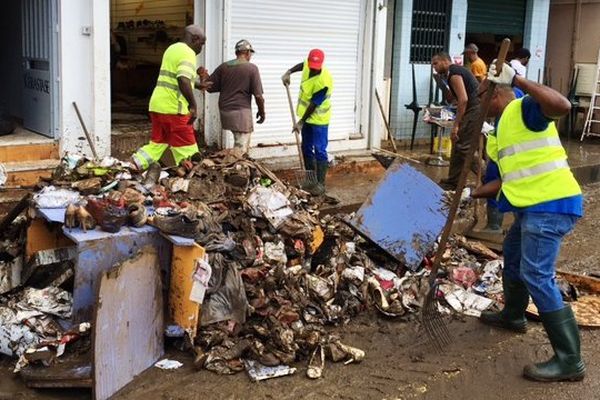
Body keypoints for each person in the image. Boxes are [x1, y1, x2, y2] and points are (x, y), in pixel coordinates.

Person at [472, 65, 585, 382]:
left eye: (481, 97)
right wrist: (469, 193)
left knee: (536, 274)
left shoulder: (523, 109)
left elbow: (562, 106)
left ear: (494, 93)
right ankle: (513, 315)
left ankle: (570, 360)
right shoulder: (500, 130)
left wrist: (518, 80)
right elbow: (502, 182)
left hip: (551, 206)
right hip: (532, 210)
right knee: (513, 253)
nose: (479, 105)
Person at [131, 25, 206, 171]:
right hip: (174, 109)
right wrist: (193, 106)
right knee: (188, 148)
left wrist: (197, 84)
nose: (201, 48)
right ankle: (193, 178)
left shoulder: (172, 49)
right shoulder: (188, 52)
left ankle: (135, 164)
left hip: (157, 106)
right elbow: (183, 80)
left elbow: (176, 77)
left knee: (158, 143)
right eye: (201, 44)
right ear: (195, 39)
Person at [281, 49, 333, 195]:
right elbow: (302, 65)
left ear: (321, 64)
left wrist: (301, 121)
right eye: (311, 65)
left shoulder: (324, 80)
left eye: (317, 67)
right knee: (306, 146)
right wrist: (289, 72)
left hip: (319, 120)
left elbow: (314, 103)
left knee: (320, 150)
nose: (313, 69)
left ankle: (321, 184)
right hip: (307, 118)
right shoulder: (308, 65)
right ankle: (310, 179)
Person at [205, 39, 265, 154]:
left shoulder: (224, 67)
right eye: (250, 53)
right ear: (247, 53)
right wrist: (262, 112)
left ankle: (238, 166)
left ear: (236, 53)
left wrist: (204, 75)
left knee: (239, 145)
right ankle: (236, 169)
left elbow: (209, 87)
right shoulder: (252, 68)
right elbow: (258, 96)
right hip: (241, 114)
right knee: (240, 150)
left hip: (225, 112)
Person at [432, 52, 481, 190]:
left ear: (444, 61)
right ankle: (453, 181)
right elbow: (454, 99)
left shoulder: (454, 73)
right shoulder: (449, 75)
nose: (434, 67)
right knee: (457, 143)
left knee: (464, 147)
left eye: (435, 63)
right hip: (471, 109)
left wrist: (456, 125)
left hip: (474, 110)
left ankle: (486, 177)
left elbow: (463, 99)